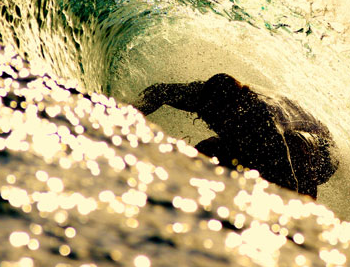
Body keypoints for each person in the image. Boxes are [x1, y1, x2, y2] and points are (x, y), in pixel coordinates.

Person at [134, 73, 338, 197]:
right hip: (279, 148)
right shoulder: (204, 95)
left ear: (237, 107)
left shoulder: (260, 120)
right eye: (211, 116)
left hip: (323, 151)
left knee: (293, 148)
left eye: (222, 116)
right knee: (208, 150)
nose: (216, 122)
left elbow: (291, 180)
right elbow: (158, 92)